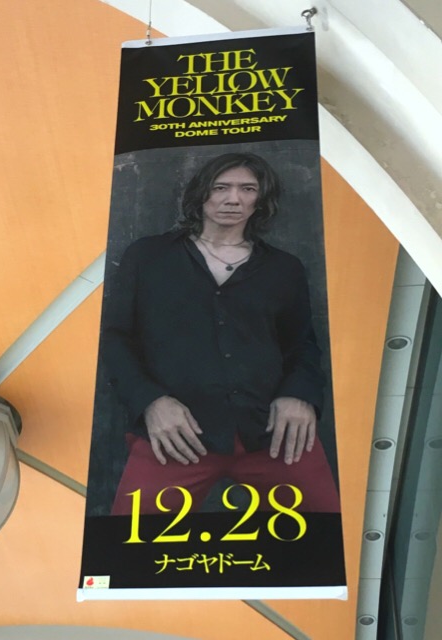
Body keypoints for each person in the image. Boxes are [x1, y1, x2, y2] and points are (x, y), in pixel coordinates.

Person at [100, 152, 340, 515]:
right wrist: (151, 402)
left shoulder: (284, 268)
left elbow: (302, 344)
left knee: (327, 531)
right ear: (202, 193)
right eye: (221, 187)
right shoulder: (148, 257)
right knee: (128, 541)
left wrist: (299, 395)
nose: (233, 199)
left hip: (272, 433)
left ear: (261, 199)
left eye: (248, 189)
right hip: (177, 435)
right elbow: (116, 338)